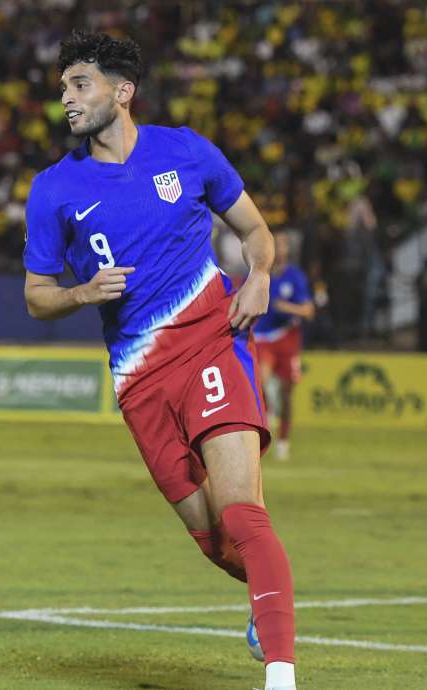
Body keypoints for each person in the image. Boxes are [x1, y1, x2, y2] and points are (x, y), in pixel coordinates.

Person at [20, 32, 296, 690]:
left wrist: (259, 277)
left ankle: (282, 674)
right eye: (62, 88)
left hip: (210, 341)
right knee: (213, 541)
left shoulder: (186, 152)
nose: (66, 98)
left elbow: (257, 232)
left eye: (79, 84)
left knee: (239, 509)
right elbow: (35, 295)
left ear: (122, 91)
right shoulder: (54, 189)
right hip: (139, 380)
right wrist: (81, 293)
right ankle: (266, 593)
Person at [254, 231, 314, 461]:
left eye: (282, 244)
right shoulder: (260, 273)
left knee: (287, 393)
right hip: (263, 336)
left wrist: (285, 307)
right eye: (275, 244)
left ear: (288, 250)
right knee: (262, 381)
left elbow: (308, 311)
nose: (279, 249)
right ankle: (268, 415)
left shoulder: (295, 277)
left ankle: (284, 441)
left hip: (287, 337)